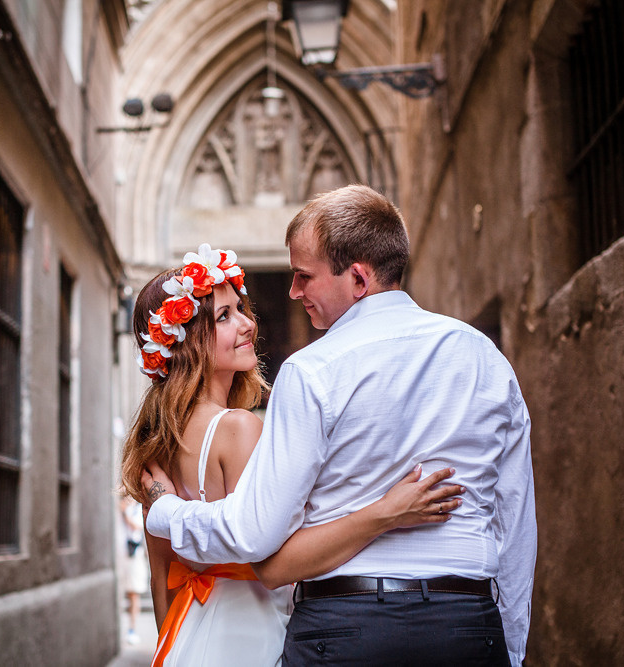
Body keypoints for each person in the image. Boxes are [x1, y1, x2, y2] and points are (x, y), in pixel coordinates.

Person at [143, 185, 537, 666]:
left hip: (344, 631)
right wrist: (511, 648)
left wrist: (165, 511)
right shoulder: (485, 358)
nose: (292, 291)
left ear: (357, 278)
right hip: (468, 626)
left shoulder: (313, 371)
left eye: (303, 276)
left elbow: (253, 534)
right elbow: (514, 521)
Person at [121, 243, 465, 667]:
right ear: (189, 342)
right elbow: (274, 558)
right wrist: (385, 512)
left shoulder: (158, 444)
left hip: (189, 635)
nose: (247, 324)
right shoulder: (238, 428)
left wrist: (179, 648)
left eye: (240, 309)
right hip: (252, 634)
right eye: (224, 317)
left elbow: (163, 578)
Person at [120, 495, 148, 645]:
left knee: (134, 593)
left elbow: (137, 527)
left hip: (133, 556)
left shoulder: (137, 509)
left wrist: (125, 513)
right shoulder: (123, 507)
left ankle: (132, 629)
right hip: (122, 555)